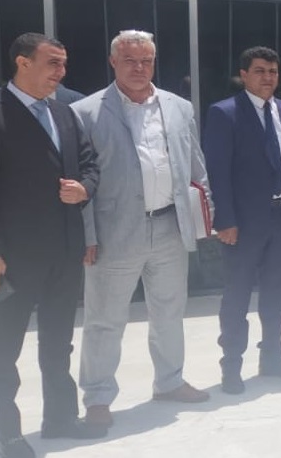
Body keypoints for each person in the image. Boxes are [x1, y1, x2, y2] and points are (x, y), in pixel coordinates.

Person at [0, 33, 105, 458]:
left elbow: (90, 164)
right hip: (14, 257)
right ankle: (7, 433)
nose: (61, 72)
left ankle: (60, 418)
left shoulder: (63, 113)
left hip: (64, 250)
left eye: (63, 63)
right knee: (7, 344)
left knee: (59, 341)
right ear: (23, 63)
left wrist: (84, 189)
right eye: (52, 63)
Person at [71, 30, 213, 428]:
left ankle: (169, 382)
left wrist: (205, 213)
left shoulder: (179, 107)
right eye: (130, 60)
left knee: (169, 311)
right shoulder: (86, 112)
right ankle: (98, 397)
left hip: (169, 226)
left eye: (146, 60)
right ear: (113, 62)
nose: (139, 68)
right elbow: (81, 179)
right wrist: (87, 236)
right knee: (104, 319)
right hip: (113, 232)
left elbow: (196, 166)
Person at [202, 46, 281, 394]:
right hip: (243, 223)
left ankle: (273, 357)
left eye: (273, 72)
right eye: (260, 71)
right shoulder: (224, 113)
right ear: (244, 75)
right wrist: (225, 220)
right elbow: (218, 171)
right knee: (237, 295)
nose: (267, 77)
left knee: (277, 292)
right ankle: (231, 365)